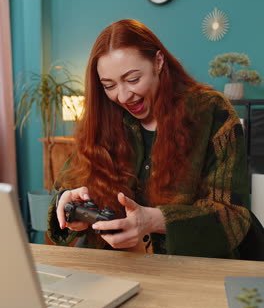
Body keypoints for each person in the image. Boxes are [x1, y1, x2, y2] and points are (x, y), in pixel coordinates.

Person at [47, 18, 251, 258]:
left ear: (158, 61)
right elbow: (64, 190)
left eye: (133, 79)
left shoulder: (211, 112)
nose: (123, 96)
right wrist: (69, 207)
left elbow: (233, 217)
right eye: (108, 85)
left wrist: (155, 221)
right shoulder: (102, 119)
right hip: (112, 270)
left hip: (187, 274)